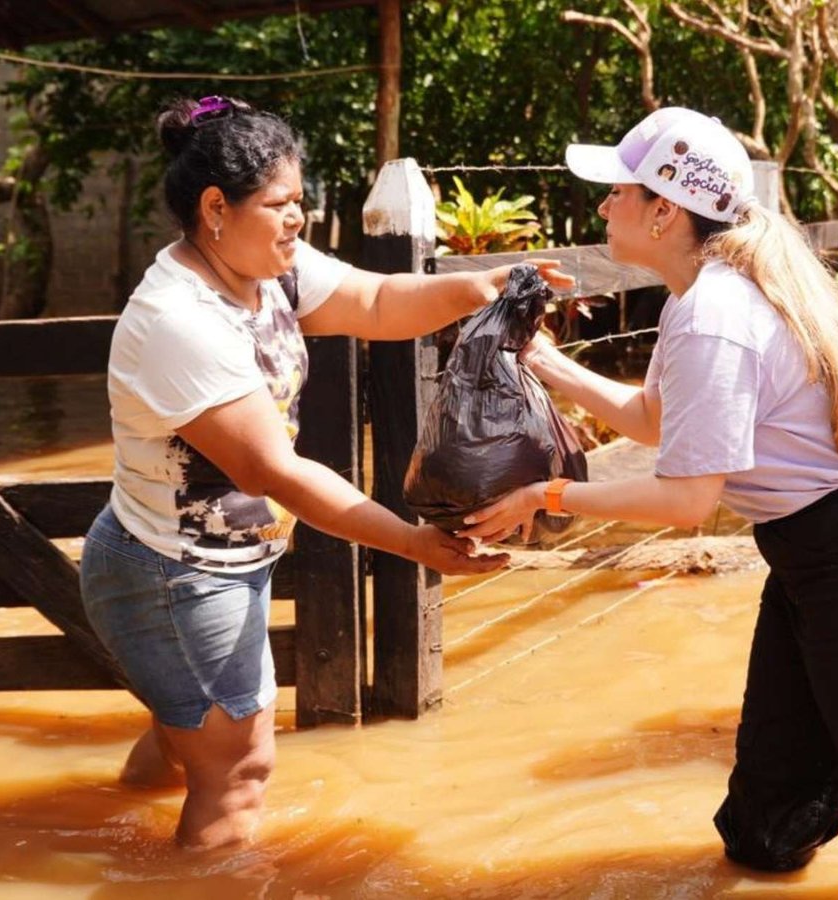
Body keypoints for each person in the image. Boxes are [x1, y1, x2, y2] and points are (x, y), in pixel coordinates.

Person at [463, 107, 838, 898]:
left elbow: (688, 500)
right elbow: (659, 423)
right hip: (817, 556)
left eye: (617, 191)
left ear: (665, 210)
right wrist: (545, 363)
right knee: (768, 826)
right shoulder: (703, 297)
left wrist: (547, 495)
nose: (602, 207)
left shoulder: (714, 315)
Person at [79, 96, 570, 851]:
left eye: (299, 202)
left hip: (201, 563)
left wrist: (484, 284)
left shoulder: (265, 266)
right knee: (240, 772)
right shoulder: (180, 320)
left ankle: (86, 837)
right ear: (216, 208)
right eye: (281, 204)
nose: (298, 219)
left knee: (191, 745)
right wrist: (412, 543)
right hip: (176, 577)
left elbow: (376, 299)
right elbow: (277, 471)